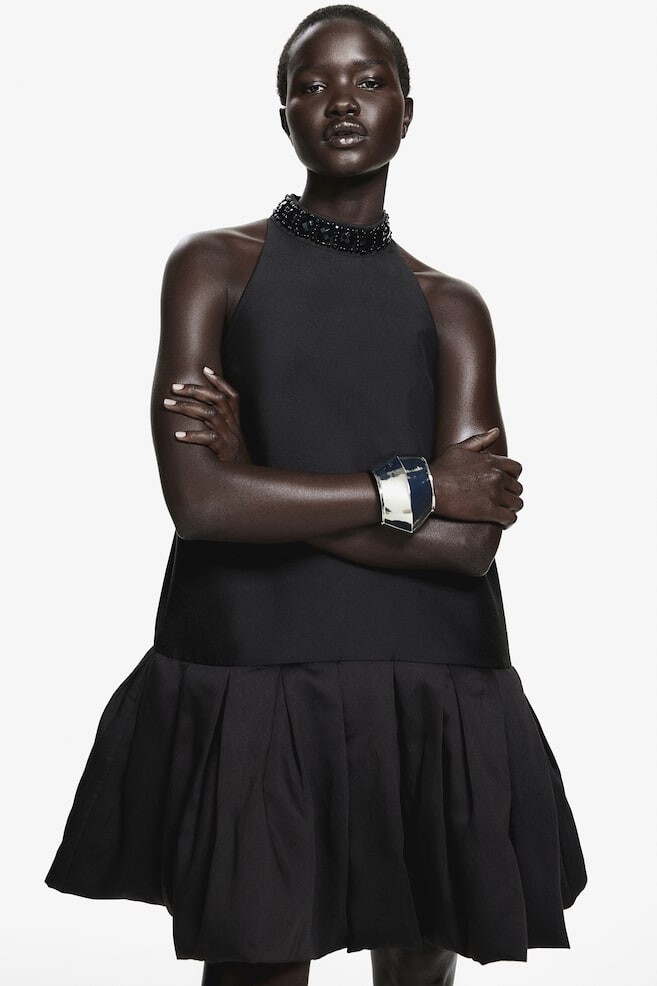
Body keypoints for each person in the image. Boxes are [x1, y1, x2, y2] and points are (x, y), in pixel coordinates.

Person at [44, 6, 587, 985]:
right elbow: (202, 506)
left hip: (431, 673)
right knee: (257, 953)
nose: (341, 100)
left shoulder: (451, 306)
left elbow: (468, 546)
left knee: (418, 962)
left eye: (370, 80)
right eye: (312, 83)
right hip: (258, 669)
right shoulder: (213, 267)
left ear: (408, 111)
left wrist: (265, 480)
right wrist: (418, 487)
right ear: (284, 114)